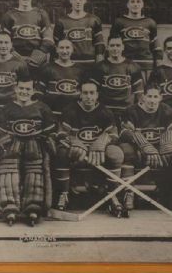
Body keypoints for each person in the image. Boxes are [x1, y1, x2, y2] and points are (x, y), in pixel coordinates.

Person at [120, 84, 172, 213]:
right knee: (126, 150)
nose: (152, 100)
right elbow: (124, 133)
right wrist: (143, 145)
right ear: (143, 97)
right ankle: (129, 192)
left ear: (161, 97)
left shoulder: (167, 110)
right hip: (140, 152)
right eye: (149, 96)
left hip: (162, 155)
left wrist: (167, 144)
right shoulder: (131, 111)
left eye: (155, 97)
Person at [54, 80, 129, 218]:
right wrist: (74, 141)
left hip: (98, 153)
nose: (89, 96)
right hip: (77, 152)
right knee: (61, 153)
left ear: (97, 95)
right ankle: (63, 194)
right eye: (85, 93)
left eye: (92, 93)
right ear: (80, 94)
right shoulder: (70, 110)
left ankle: (112, 196)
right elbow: (60, 134)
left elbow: (114, 134)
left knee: (116, 153)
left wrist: (103, 140)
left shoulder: (105, 111)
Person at [0, 75, 56, 226]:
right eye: (21, 88)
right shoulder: (7, 108)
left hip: (35, 144)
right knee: (8, 167)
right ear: (15, 88)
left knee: (35, 168)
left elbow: (51, 130)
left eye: (28, 89)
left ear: (33, 90)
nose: (24, 92)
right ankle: (9, 206)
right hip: (12, 144)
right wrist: (4, 141)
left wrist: (46, 139)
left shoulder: (42, 107)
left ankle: (33, 206)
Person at [1, 0, 54, 73]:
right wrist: (17, 58)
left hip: (37, 61)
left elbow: (48, 40)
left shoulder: (41, 14)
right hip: (15, 60)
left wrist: (36, 58)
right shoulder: (9, 15)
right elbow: (4, 40)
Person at [91, 37, 143, 122]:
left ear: (123, 47)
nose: (115, 48)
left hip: (126, 110)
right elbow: (93, 91)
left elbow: (139, 93)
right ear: (107, 47)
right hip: (105, 110)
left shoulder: (133, 66)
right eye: (112, 46)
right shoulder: (99, 67)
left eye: (118, 45)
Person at [109, 0, 158, 81]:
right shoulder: (119, 22)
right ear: (127, 4)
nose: (135, 4)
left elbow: (155, 46)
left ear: (142, 4)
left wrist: (158, 65)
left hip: (145, 63)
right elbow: (112, 45)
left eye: (138, 2)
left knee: (144, 91)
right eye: (133, 2)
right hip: (125, 63)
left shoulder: (150, 22)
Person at [53, 0, 105, 67]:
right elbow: (56, 44)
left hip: (89, 61)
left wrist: (99, 58)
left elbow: (99, 42)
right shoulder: (61, 21)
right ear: (70, 0)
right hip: (69, 63)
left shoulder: (94, 19)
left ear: (85, 0)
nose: (78, 1)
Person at [37, 39, 84, 117]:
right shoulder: (47, 68)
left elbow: (83, 94)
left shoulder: (80, 69)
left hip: (73, 114)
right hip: (51, 113)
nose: (64, 51)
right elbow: (39, 91)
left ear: (72, 49)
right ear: (56, 49)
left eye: (67, 48)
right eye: (61, 48)